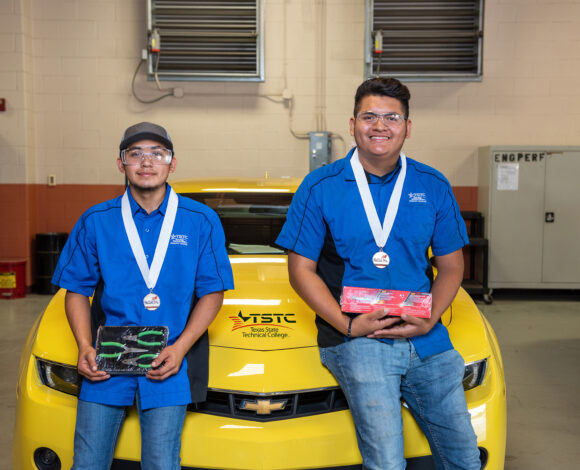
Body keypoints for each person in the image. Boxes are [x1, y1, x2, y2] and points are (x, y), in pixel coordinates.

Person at [276, 78, 481, 470]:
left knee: (464, 458)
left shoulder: (432, 185)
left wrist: (429, 318)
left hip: (427, 339)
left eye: (392, 117)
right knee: (387, 462)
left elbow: (452, 265)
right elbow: (301, 270)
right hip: (358, 338)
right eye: (370, 116)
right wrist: (349, 326)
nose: (380, 126)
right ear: (353, 124)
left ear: (407, 125)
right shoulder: (321, 186)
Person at [52, 122, 234, 470]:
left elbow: (212, 292)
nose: (146, 162)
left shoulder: (201, 220)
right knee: (88, 461)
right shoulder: (96, 221)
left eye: (157, 154)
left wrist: (180, 349)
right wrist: (84, 346)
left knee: (162, 462)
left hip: (167, 359)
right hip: (106, 360)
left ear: (172, 163)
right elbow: (76, 290)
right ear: (121, 164)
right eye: (135, 154)